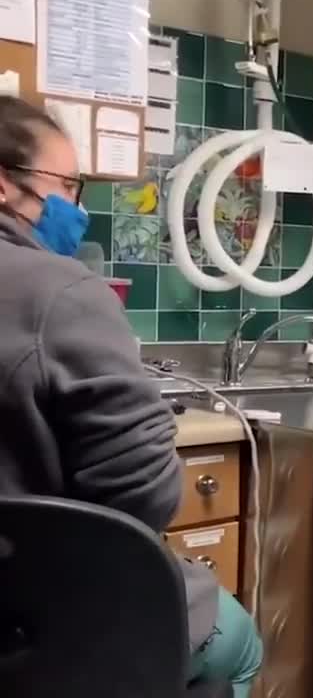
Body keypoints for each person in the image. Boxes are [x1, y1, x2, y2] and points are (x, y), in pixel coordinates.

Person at [0, 96, 263, 696]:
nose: (76, 207)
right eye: (66, 185)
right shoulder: (63, 293)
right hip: (48, 622)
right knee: (239, 641)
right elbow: (142, 497)